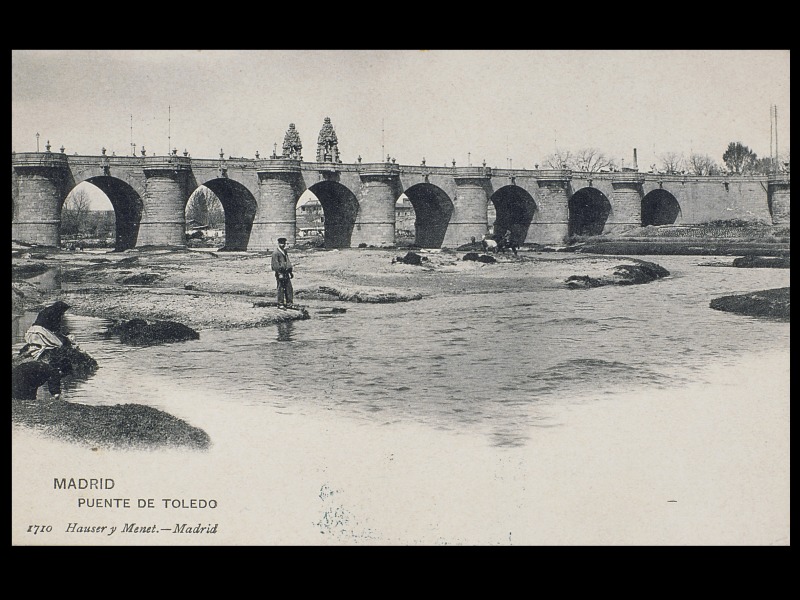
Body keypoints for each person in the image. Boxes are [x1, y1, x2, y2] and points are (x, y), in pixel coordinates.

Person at [271, 237, 294, 309]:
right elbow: (275, 264)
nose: (283, 245)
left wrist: (290, 272)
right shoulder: (276, 253)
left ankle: (289, 303)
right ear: (278, 243)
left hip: (286, 272)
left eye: (284, 243)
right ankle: (280, 304)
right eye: (281, 243)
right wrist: (279, 273)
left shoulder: (285, 251)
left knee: (289, 288)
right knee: (280, 288)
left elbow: (288, 261)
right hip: (280, 273)